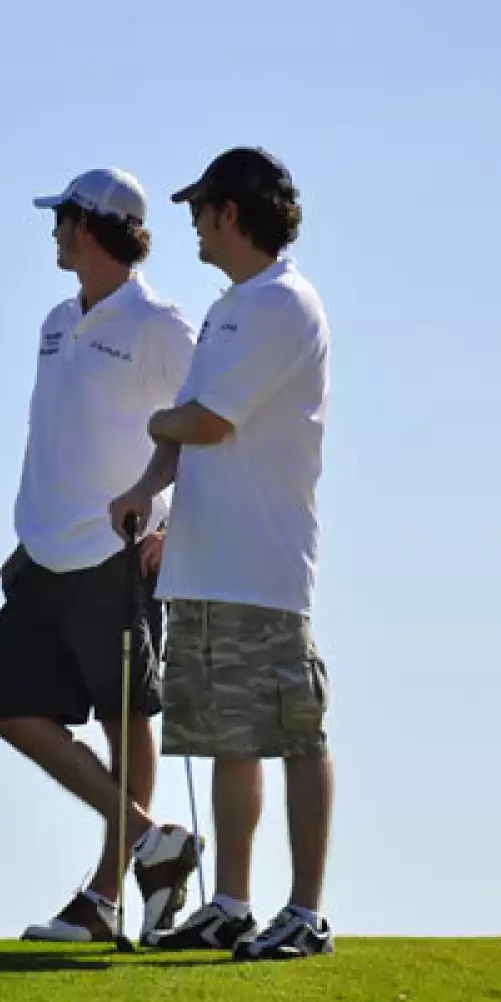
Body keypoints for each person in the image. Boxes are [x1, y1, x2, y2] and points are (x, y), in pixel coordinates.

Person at [110, 147, 336, 960]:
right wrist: (146, 486)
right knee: (227, 740)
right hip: (204, 563)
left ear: (230, 214)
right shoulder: (228, 309)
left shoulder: (283, 302)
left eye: (200, 210)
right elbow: (188, 423)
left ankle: (305, 912)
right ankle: (233, 903)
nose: (194, 225)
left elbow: (203, 420)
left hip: (263, 566)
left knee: (295, 735)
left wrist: (160, 426)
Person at [0, 168, 202, 946]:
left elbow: (204, 427)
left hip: (116, 550)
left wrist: (169, 519)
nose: (54, 232)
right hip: (41, 553)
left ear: (90, 227)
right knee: (12, 709)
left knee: (124, 715)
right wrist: (26, 536)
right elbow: (53, 438)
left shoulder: (160, 324)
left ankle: (108, 894)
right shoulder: (55, 320)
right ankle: (151, 838)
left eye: (62, 220)